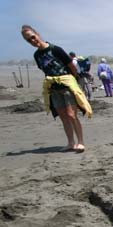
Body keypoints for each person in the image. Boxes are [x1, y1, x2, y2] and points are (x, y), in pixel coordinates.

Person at [21, 24, 90, 152]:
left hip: (67, 86)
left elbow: (72, 67)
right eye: (29, 40)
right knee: (63, 116)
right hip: (53, 89)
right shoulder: (37, 55)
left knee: (72, 115)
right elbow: (44, 70)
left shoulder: (55, 49)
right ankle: (70, 143)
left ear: (37, 34)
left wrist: (73, 82)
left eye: (33, 37)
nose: (32, 41)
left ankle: (80, 142)